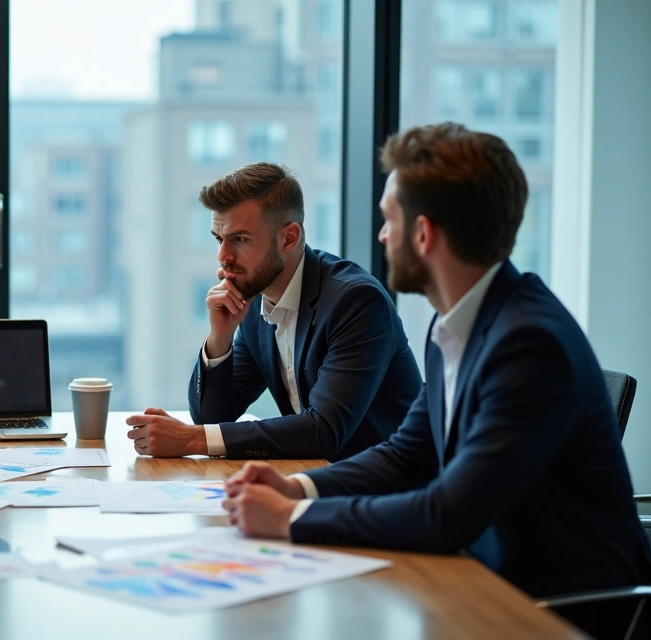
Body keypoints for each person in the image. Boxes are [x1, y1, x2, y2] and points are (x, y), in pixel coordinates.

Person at [222, 124, 651, 638]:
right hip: (477, 580)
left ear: (424, 234)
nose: (381, 236)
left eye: (388, 220)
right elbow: (407, 455)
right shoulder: (455, 324)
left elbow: (448, 514)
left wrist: (289, 520)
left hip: (554, 610)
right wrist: (297, 488)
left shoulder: (528, 344)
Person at [127, 162, 422, 461]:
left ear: (289, 238)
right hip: (320, 483)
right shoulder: (255, 303)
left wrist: (191, 440)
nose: (223, 256)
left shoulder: (356, 302)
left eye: (240, 239)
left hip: (390, 493)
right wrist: (220, 337)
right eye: (219, 239)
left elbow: (323, 431)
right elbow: (212, 419)